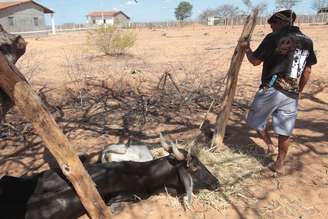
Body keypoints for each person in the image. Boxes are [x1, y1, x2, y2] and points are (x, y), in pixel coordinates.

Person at [241, 9, 317, 173]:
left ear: (281, 22)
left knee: (254, 119)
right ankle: (279, 164)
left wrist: (247, 49)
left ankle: (269, 144)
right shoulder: (308, 41)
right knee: (285, 131)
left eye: (273, 24)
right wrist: (299, 91)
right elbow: (307, 71)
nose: (271, 27)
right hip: (292, 91)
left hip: (272, 88)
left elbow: (255, 61)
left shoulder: (274, 38)